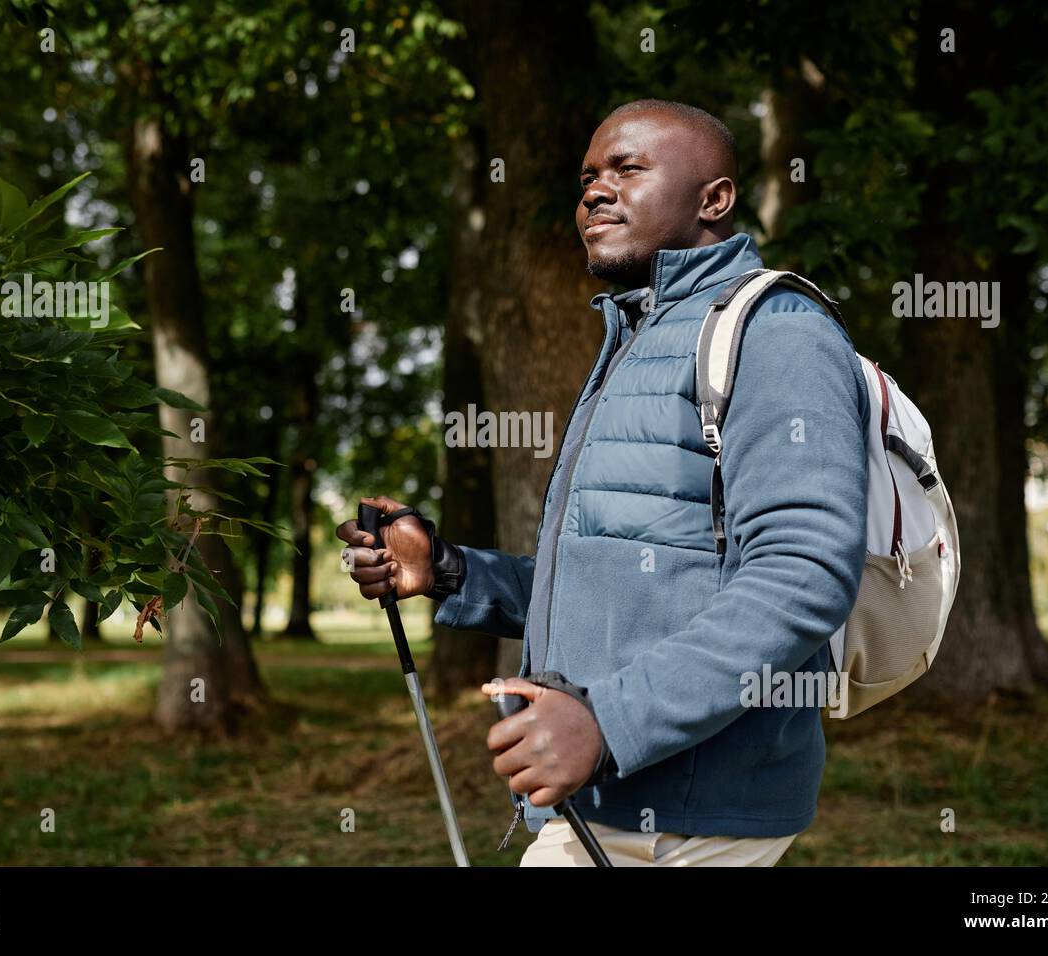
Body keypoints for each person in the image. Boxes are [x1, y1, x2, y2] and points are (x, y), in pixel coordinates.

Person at [336, 99, 870, 866]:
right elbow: (625, 586)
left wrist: (610, 721)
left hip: (688, 813)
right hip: (607, 800)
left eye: (627, 170)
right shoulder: (637, 340)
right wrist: (451, 572)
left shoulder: (777, 330)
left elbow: (804, 574)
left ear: (713, 199)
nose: (594, 191)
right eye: (587, 176)